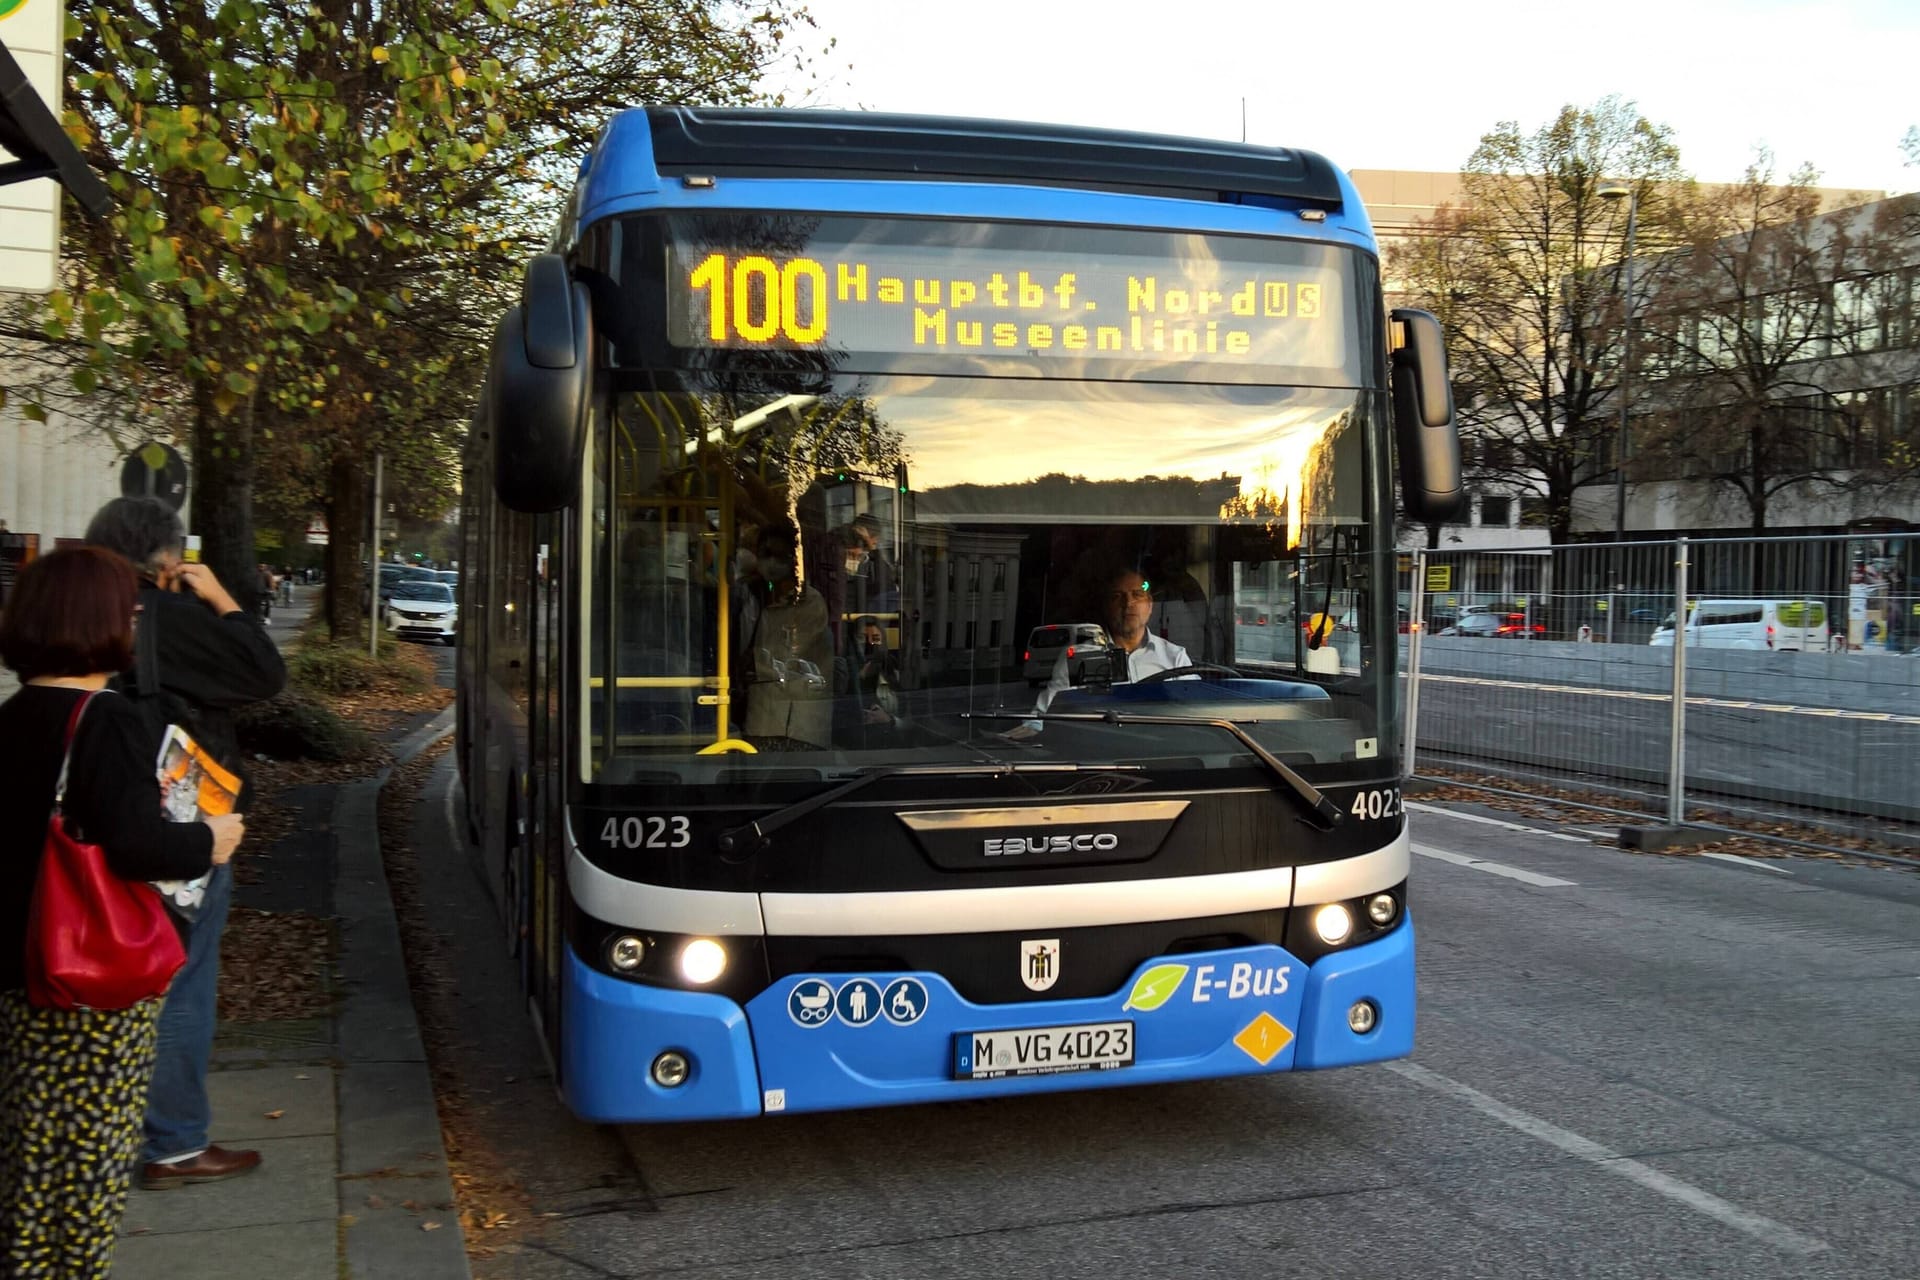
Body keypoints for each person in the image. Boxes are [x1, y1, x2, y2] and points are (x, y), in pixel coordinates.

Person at [0, 547, 245, 1278]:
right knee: (86, 1170)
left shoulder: (14, 713)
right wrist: (210, 838)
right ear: (97, 623)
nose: (137, 625)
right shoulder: (105, 720)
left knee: (30, 1160)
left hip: (20, 970)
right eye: (130, 614)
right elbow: (138, 847)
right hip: (90, 987)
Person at [84, 497, 286, 1190]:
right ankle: (174, 1144)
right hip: (180, 822)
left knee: (117, 975)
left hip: (99, 812)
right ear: (167, 558)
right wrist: (224, 598)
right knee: (181, 980)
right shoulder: (166, 616)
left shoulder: (84, 612)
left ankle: (106, 1125)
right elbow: (265, 674)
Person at [1006, 567, 1191, 739]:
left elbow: (1195, 717)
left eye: (1137, 594)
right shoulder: (1078, 659)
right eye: (1118, 596)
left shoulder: (1175, 659)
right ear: (1106, 607)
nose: (1129, 603)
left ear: (1150, 606)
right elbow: (1041, 719)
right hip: (1099, 759)